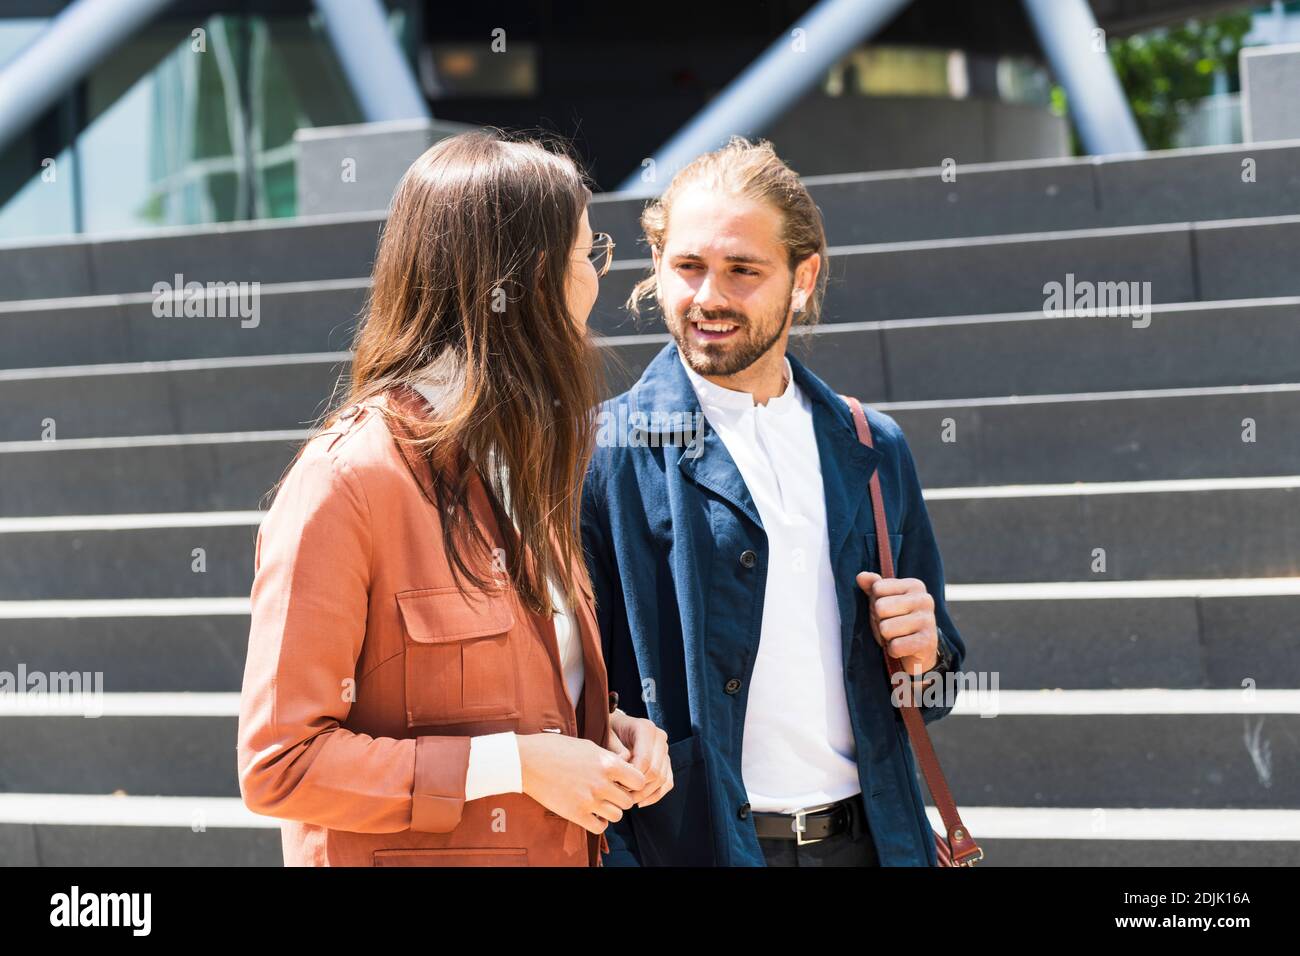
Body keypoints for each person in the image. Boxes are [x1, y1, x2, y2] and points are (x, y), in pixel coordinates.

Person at [237, 128, 671, 867]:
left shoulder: (528, 461)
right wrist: (516, 766)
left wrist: (607, 729)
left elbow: (516, 695)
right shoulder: (347, 483)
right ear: (532, 281)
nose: (598, 279)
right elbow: (282, 766)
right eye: (587, 254)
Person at [582, 136, 966, 867]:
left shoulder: (872, 445)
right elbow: (573, 701)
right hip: (698, 846)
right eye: (687, 266)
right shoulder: (602, 454)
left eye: (743, 271)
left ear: (803, 276)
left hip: (872, 841)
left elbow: (936, 683)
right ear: (657, 267)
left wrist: (925, 652)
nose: (709, 297)